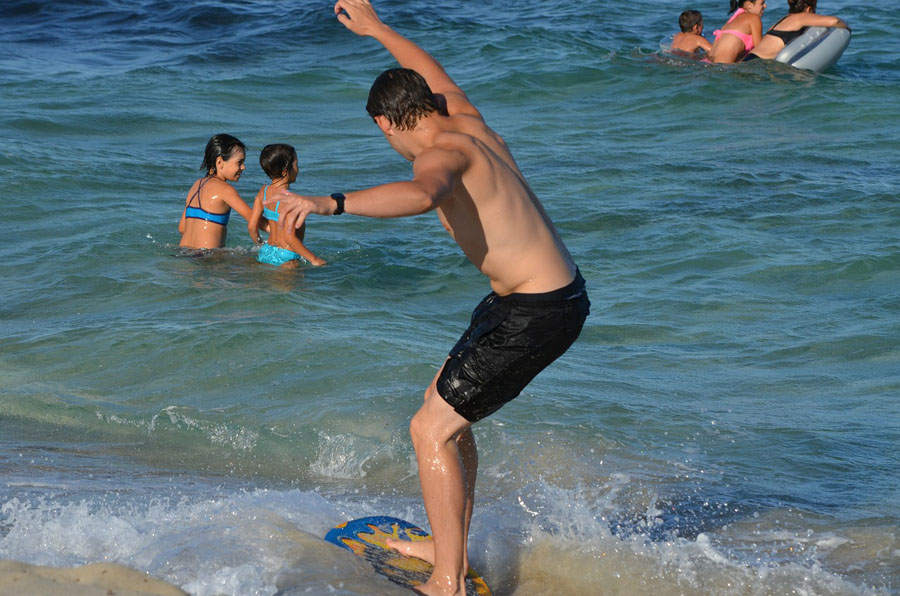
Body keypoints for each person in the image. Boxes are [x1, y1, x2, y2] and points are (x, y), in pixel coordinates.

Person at [272, 1, 590, 594]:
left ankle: (448, 581)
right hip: (528, 300)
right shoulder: (463, 118)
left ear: (385, 125)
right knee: (442, 410)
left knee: (430, 429)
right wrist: (376, 28)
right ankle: (448, 547)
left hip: (539, 311)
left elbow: (421, 195)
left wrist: (328, 203)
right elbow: (433, 70)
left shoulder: (441, 154)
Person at [248, 144, 326, 267]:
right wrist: (314, 259)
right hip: (287, 256)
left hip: (266, 251)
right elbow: (289, 238)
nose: (297, 169)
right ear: (285, 171)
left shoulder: (263, 191)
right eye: (296, 165)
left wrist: (260, 245)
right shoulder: (290, 200)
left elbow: (252, 227)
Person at [178, 134, 256, 249]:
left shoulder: (197, 185)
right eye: (239, 162)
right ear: (219, 162)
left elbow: (182, 228)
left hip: (184, 253)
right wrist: (278, 229)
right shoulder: (225, 189)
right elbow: (252, 218)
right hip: (208, 258)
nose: (243, 167)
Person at [744, 0, 847, 61]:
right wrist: (848, 28)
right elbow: (835, 21)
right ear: (809, 9)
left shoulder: (781, 21)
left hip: (747, 60)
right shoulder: (801, 17)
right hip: (757, 64)